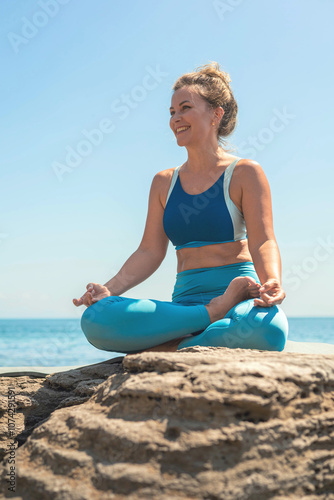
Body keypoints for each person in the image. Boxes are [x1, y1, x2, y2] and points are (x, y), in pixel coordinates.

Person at [73, 61, 288, 355]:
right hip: (185, 306)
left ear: (216, 114)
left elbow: (263, 239)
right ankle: (209, 318)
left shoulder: (244, 173)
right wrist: (109, 290)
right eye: (172, 112)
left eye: (185, 108)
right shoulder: (164, 182)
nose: (176, 118)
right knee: (96, 319)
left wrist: (272, 280)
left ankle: (169, 345)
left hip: (239, 295)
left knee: (268, 330)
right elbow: (149, 251)